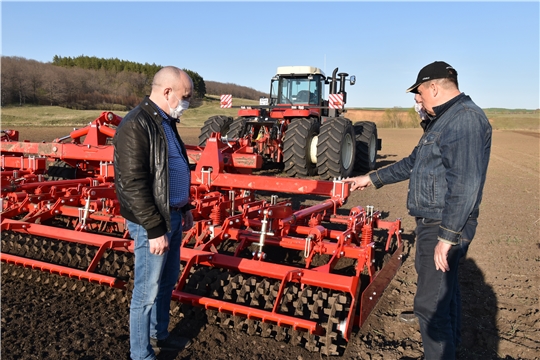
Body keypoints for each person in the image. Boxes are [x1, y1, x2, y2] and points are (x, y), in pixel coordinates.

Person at [344, 61, 492, 359]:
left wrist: (448, 236)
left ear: (435, 87)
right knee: (443, 296)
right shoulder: (445, 121)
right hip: (434, 221)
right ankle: (448, 350)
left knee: (430, 306)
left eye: (419, 92)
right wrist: (368, 178)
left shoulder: (463, 120)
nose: (416, 99)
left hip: (442, 223)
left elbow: (464, 184)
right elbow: (413, 163)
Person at [113, 66, 195, 360]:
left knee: (166, 282)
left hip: (171, 215)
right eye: (185, 96)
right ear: (167, 92)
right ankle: (140, 354)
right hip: (153, 222)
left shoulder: (166, 122)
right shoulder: (136, 124)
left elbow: (172, 169)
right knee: (146, 292)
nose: (186, 103)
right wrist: (154, 229)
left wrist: (184, 206)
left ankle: (159, 335)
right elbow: (132, 183)